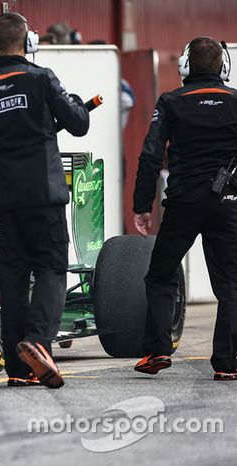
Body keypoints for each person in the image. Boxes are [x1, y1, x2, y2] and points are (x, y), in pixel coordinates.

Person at [0, 12, 89, 388]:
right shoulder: (41, 77)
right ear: (28, 43)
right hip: (44, 193)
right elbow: (78, 123)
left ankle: (19, 370)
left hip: (6, 197)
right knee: (51, 268)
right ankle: (37, 340)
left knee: (15, 275)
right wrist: (74, 104)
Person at [133, 37, 237, 381]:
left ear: (185, 67)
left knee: (160, 274)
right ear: (224, 67)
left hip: (183, 202)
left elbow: (150, 155)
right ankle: (227, 363)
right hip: (228, 204)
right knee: (231, 284)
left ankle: (158, 350)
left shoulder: (172, 101)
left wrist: (141, 205)